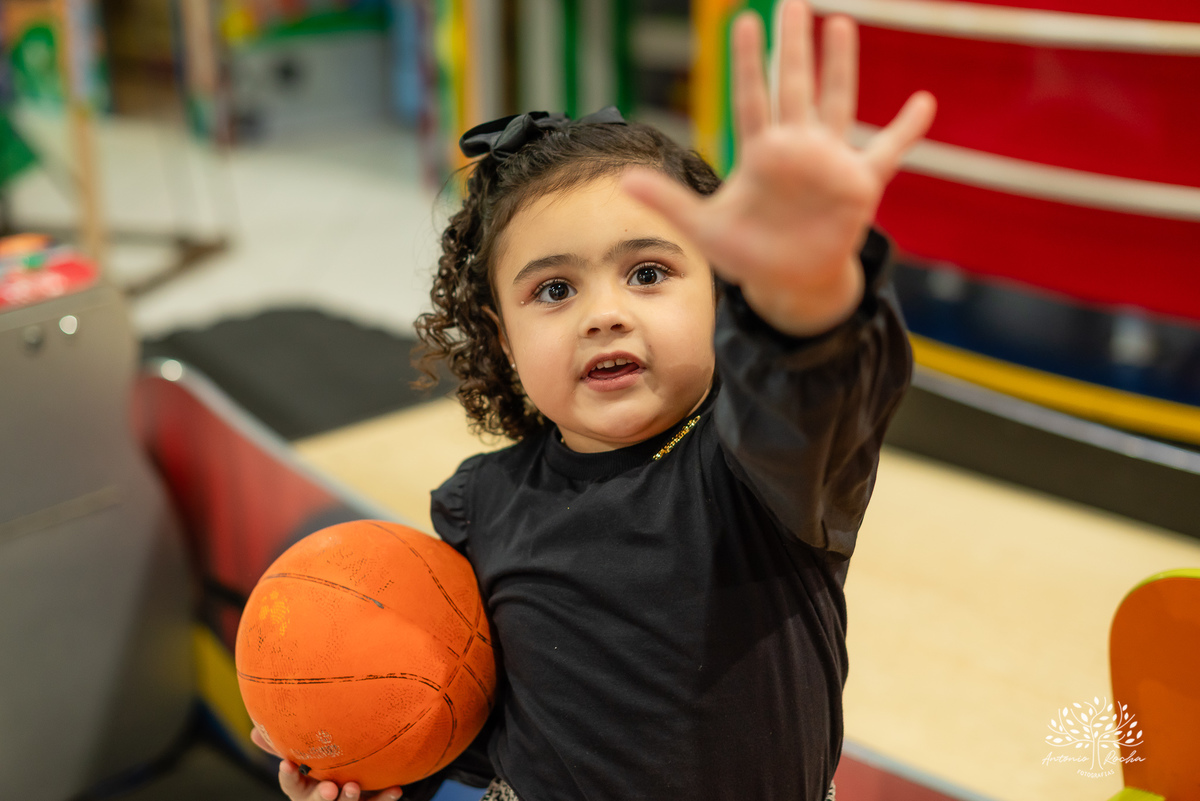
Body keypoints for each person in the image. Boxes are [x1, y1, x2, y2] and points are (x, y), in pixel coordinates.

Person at [251, 1, 936, 798]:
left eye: (648, 273)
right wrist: (373, 761)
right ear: (503, 339)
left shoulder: (763, 468)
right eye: (554, 289)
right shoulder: (482, 504)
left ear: (723, 294)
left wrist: (807, 294)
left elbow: (817, 384)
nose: (604, 313)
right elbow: (475, 727)